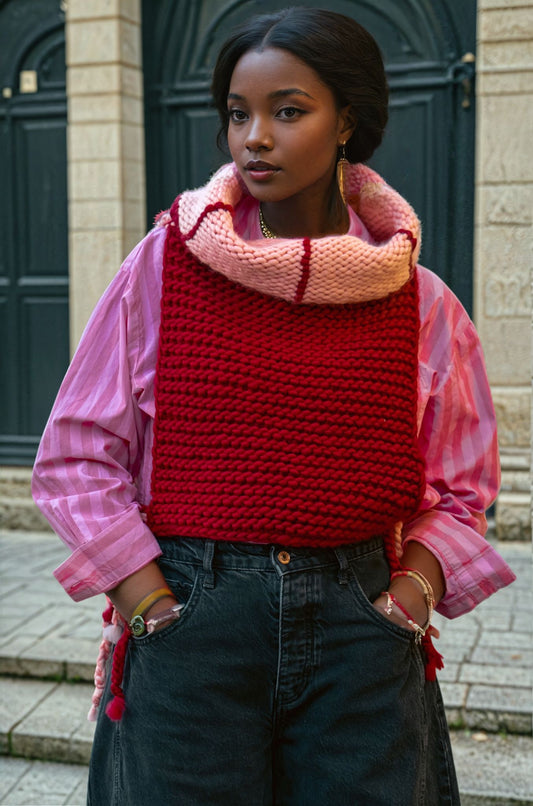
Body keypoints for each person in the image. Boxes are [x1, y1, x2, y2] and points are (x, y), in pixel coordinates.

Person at [32, 8, 515, 805]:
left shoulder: (419, 303)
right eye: (237, 113)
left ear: (346, 121)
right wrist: (151, 606)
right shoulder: (165, 267)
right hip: (191, 621)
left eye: (287, 110)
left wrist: (407, 601)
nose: (255, 135)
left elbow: (463, 488)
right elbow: (78, 454)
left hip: (363, 628)